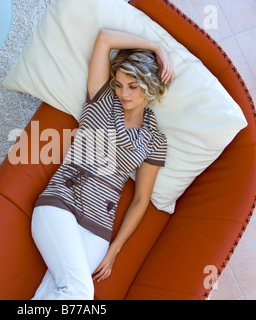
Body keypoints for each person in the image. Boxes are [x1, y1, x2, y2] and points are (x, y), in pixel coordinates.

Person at [31, 29, 174, 300]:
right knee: (81, 293)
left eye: (133, 87)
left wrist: (114, 249)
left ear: (150, 86)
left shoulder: (155, 139)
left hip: (98, 229)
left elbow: (141, 199)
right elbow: (105, 38)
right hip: (60, 204)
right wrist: (157, 47)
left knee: (57, 293)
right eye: (119, 84)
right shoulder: (102, 98)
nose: (124, 93)